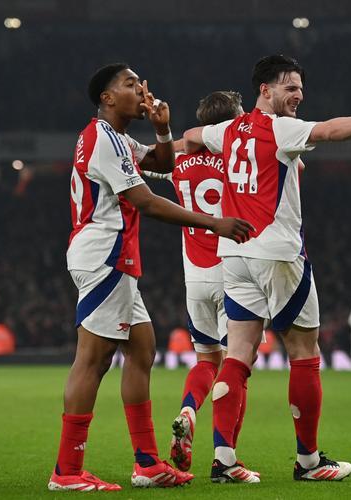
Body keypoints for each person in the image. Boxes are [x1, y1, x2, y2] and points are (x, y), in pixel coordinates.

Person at [182, 54, 351, 483]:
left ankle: (224, 460)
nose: (298, 95)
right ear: (265, 90)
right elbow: (329, 130)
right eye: (289, 87)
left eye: (301, 88)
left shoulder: (227, 131)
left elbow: (192, 135)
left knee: (237, 355)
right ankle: (309, 462)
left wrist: (180, 147)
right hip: (277, 255)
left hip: (233, 256)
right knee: (304, 354)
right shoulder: (279, 128)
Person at [50, 63, 254, 491]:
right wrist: (212, 223)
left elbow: (161, 161)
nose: (140, 90)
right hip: (104, 255)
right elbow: (144, 200)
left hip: (116, 257)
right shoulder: (103, 139)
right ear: (107, 98)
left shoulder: (117, 138)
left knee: (142, 350)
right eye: (129, 84)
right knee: (93, 360)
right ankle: (67, 471)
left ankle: (147, 463)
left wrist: (162, 129)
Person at [143, 90, 259, 481]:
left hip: (195, 275)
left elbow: (146, 162)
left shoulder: (178, 162)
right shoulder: (239, 156)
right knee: (238, 365)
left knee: (207, 361)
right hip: (234, 272)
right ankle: (227, 458)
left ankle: (188, 411)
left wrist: (170, 139)